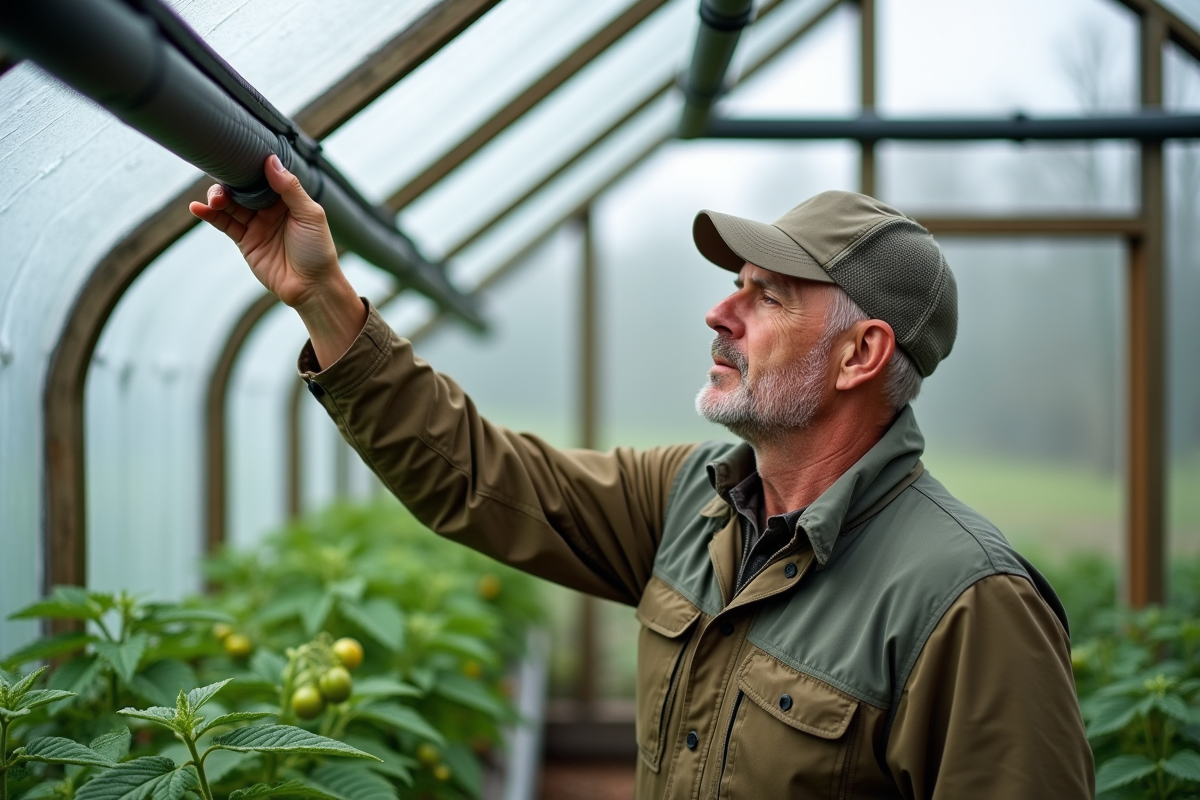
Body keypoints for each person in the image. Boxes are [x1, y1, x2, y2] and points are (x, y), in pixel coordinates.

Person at [191, 155, 1095, 799]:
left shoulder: (967, 604)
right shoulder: (692, 500)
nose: (720, 312)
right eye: (736, 283)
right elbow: (476, 476)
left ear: (861, 353)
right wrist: (324, 298)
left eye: (767, 295)